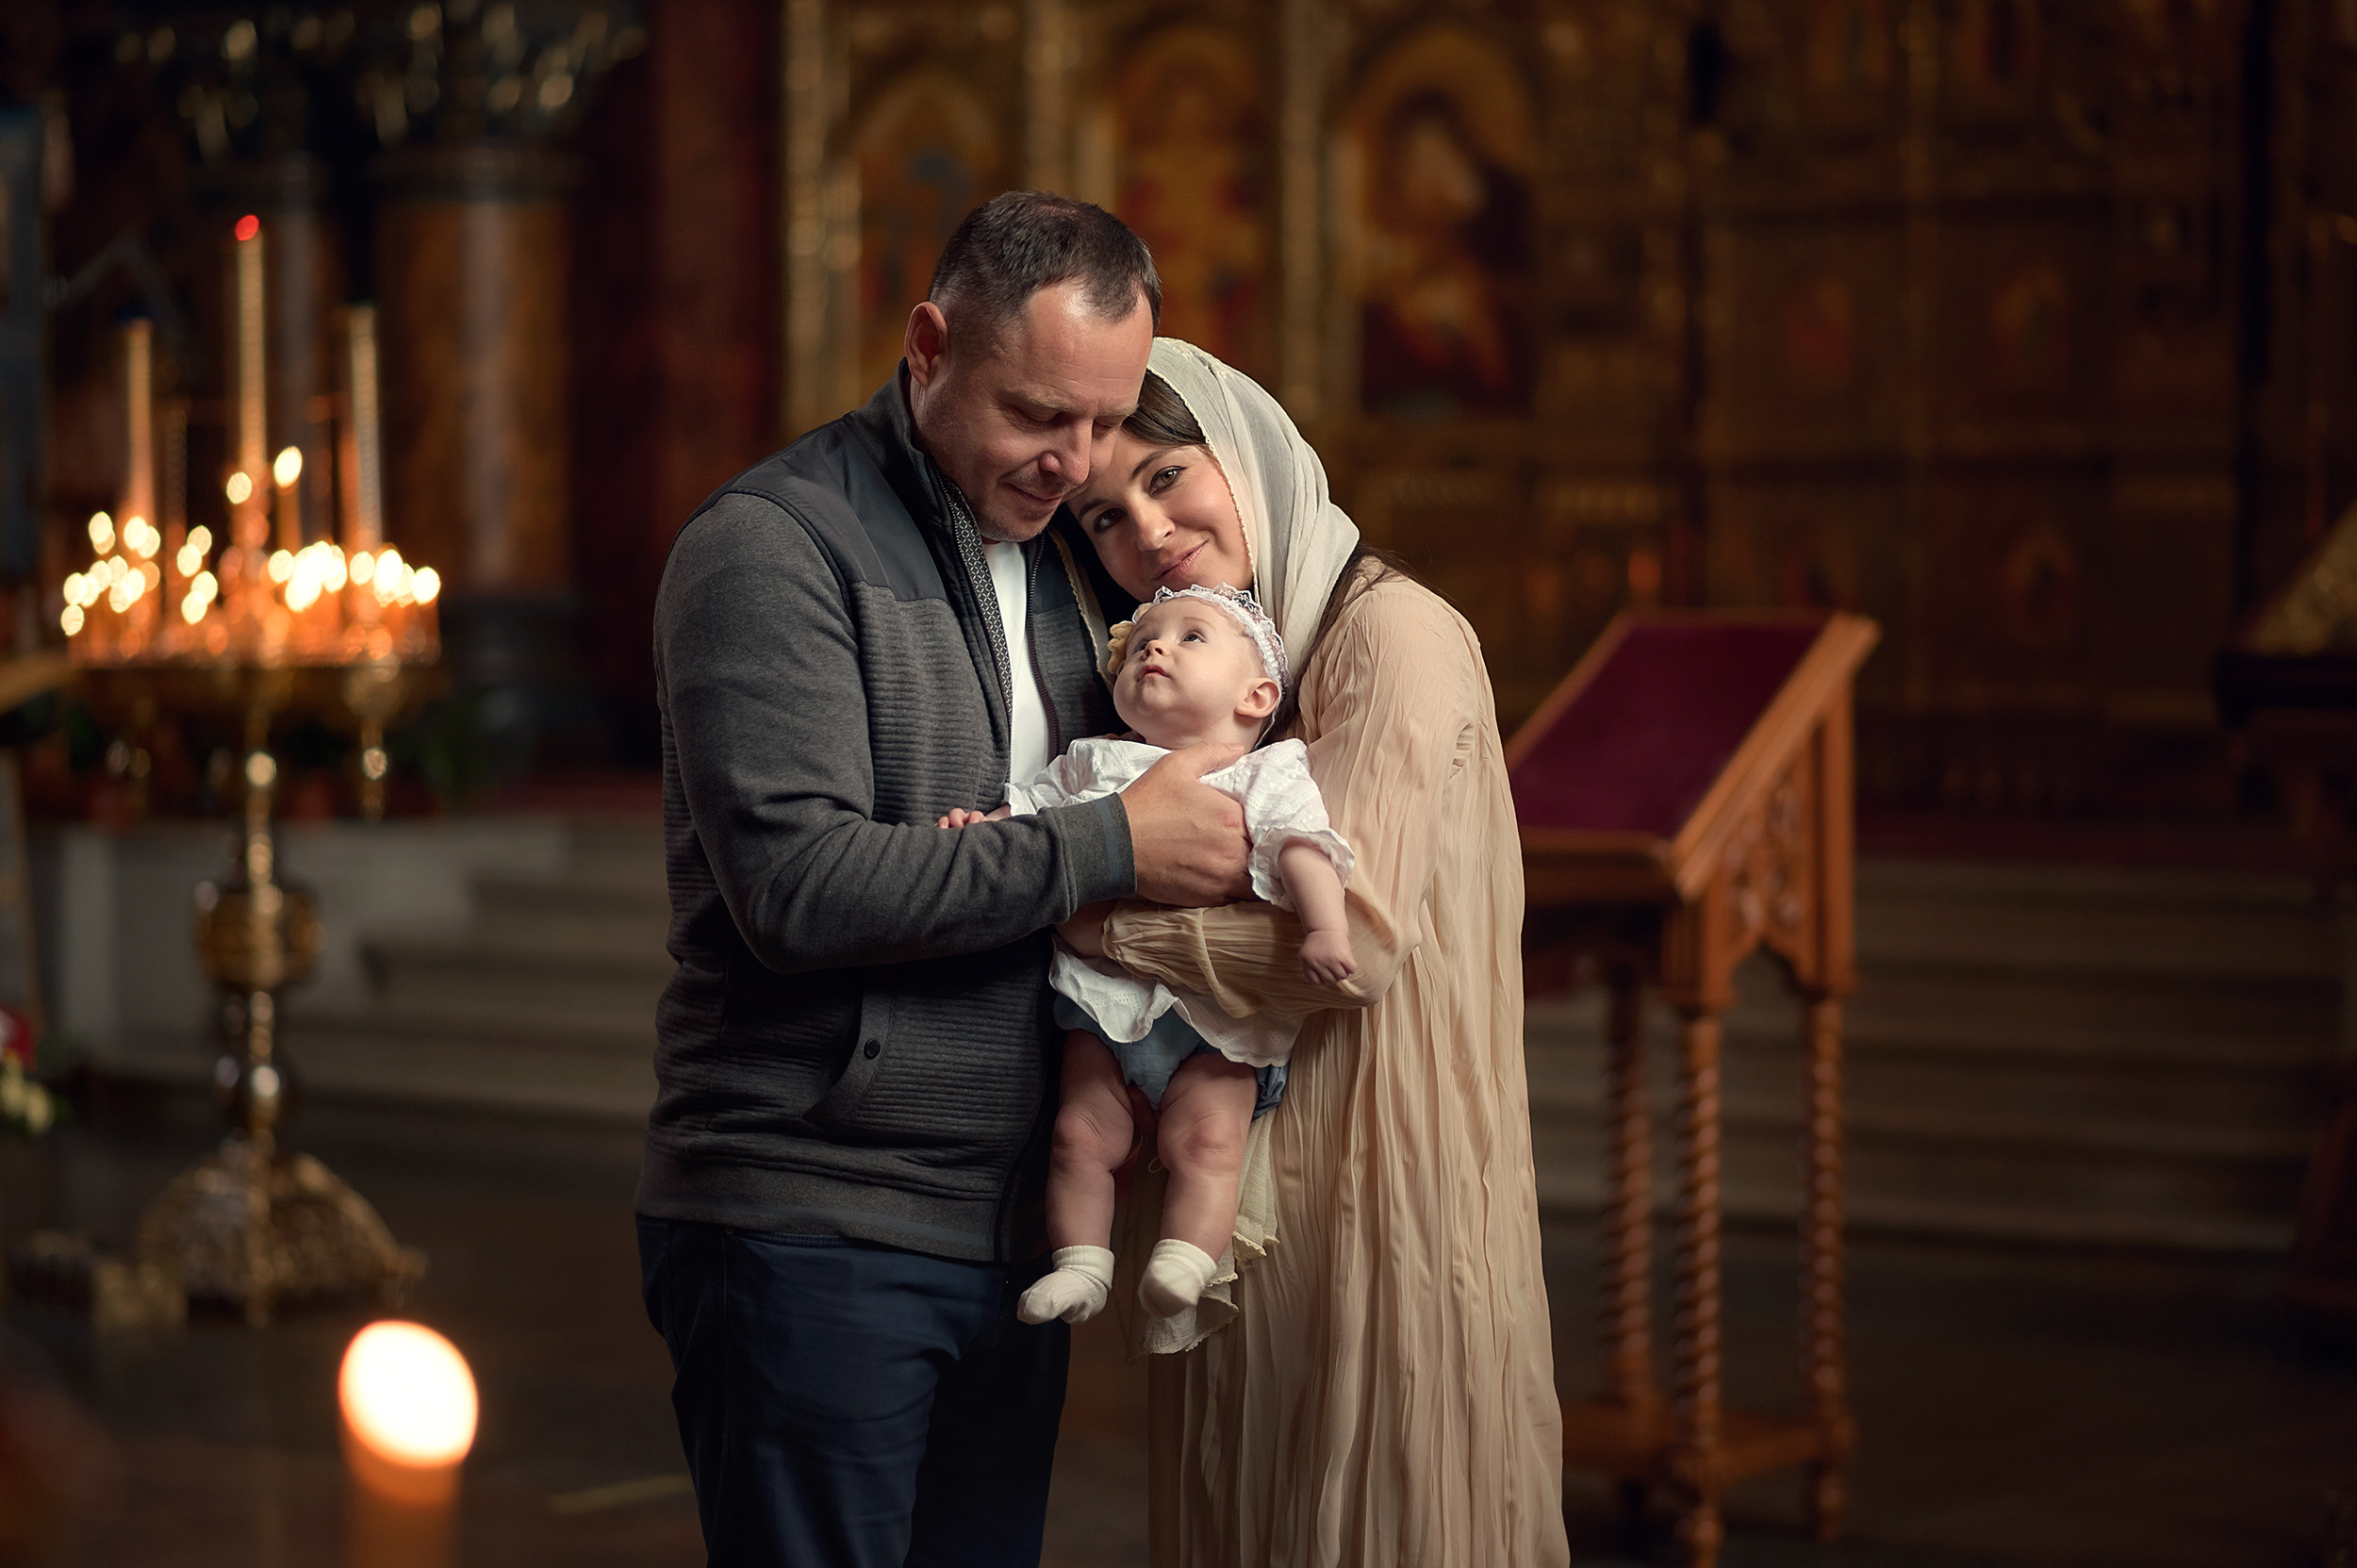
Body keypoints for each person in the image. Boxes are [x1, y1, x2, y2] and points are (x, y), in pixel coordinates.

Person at [635, 194, 1253, 1568]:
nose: (1075, 462)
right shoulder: (773, 546)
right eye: (1042, 414)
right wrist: (1112, 847)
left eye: (1103, 421)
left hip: (1014, 1225)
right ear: (927, 345)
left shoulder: (1063, 565)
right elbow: (797, 887)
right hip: (812, 1212)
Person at [1063, 338, 1570, 1567]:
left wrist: (1069, 899)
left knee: (1385, 1500)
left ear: (1247, 453)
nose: (1148, 528)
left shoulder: (1390, 633)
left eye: (1171, 476)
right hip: (1255, 1170)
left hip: (1382, 1162)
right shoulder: (1224, 666)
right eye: (1106, 517)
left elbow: (1349, 940)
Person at [938, 583, 1355, 1329]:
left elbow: (1302, 845)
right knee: (1079, 1133)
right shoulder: (1090, 758)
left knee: (1209, 1136)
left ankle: (1184, 1262)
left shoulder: (1261, 771)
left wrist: (1325, 926)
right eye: (1143, 641)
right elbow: (1032, 815)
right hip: (1103, 1003)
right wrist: (986, 828)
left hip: (1212, 1015)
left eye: (1190, 637)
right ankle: (1082, 1266)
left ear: (1257, 695)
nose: (1153, 645)